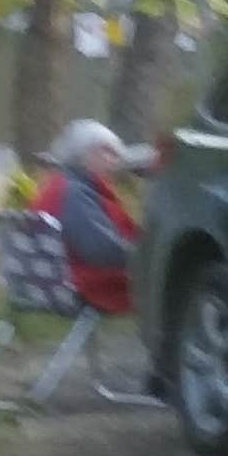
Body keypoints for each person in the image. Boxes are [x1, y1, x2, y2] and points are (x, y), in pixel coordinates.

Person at [37, 117, 144, 318]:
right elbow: (101, 251)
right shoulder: (75, 193)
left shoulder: (57, 185)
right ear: (86, 155)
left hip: (53, 283)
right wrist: (148, 256)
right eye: (108, 152)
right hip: (87, 286)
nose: (115, 160)